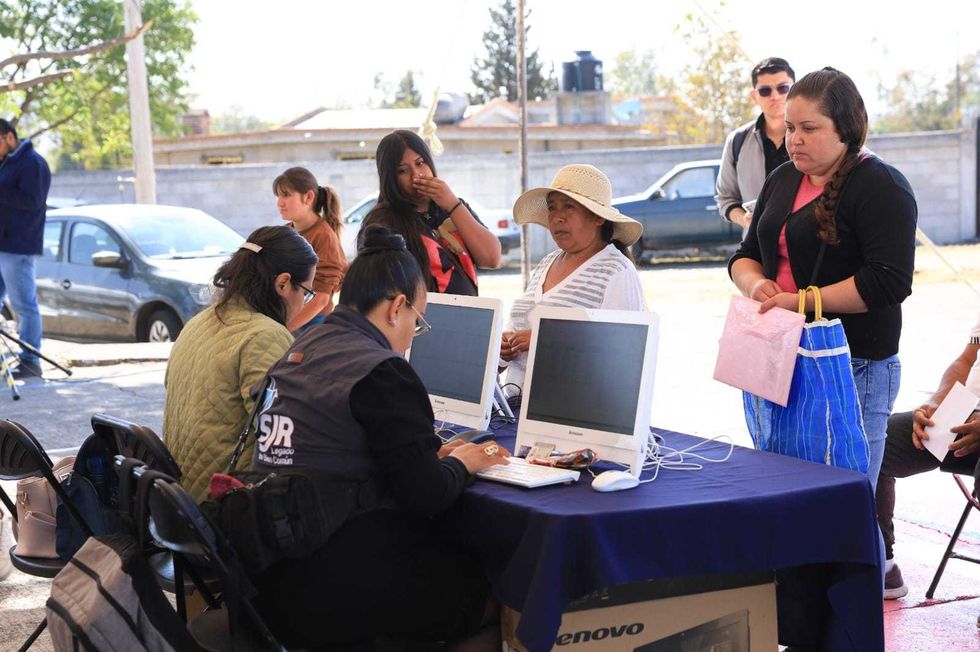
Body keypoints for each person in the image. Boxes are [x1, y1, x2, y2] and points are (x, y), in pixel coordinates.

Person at [249, 226, 509, 649]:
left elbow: (338, 451)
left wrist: (431, 456)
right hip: (337, 580)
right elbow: (427, 495)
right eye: (417, 322)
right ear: (397, 307)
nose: (411, 336)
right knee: (501, 592)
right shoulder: (381, 371)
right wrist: (465, 462)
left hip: (272, 573)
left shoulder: (301, 347)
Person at [729, 67, 918, 487]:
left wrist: (801, 302)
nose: (794, 139)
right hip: (778, 353)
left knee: (840, 495)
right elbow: (744, 256)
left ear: (845, 130)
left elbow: (887, 281)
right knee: (781, 486)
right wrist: (756, 285)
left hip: (855, 363)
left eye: (809, 128)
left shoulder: (881, 185)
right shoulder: (782, 178)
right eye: (790, 127)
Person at [163, 225, 317, 502]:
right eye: (306, 292)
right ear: (283, 284)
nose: (304, 303)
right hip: (228, 503)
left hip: (180, 500)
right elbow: (284, 435)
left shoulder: (197, 323)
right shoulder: (264, 335)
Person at [501, 164, 646, 396]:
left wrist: (545, 340)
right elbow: (519, 326)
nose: (557, 217)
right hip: (514, 406)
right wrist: (503, 348)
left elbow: (623, 354)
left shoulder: (617, 271)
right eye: (552, 208)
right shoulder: (547, 262)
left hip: (570, 410)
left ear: (598, 217)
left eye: (568, 206)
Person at [876, 312, 980, 599]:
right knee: (874, 444)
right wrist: (936, 402)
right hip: (964, 415)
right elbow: (966, 360)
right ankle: (884, 566)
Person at [361, 129, 501, 295]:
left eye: (420, 163)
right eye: (403, 170)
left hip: (468, 310)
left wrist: (453, 205)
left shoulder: (453, 206)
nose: (416, 176)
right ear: (390, 178)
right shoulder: (382, 222)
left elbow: (492, 259)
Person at [715, 57, 796, 230]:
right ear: (754, 96)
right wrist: (744, 219)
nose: (775, 96)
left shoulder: (814, 135)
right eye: (765, 91)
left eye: (783, 88)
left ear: (795, 90)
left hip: (808, 243)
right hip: (757, 243)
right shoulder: (737, 141)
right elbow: (725, 199)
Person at [0, 118, 51, 378]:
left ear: (9, 137)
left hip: (18, 247)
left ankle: (31, 361)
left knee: (24, 306)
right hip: (2, 245)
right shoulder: (7, 163)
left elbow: (32, 201)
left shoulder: (33, 164)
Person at [272, 166, 347, 331]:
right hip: (286, 316)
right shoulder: (285, 232)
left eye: (286, 195)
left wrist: (285, 329)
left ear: (308, 197)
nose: (280, 203)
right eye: (278, 196)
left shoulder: (324, 236)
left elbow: (321, 299)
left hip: (311, 321)